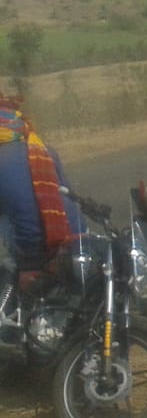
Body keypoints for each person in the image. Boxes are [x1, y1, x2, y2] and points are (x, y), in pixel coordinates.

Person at [1, 94, 83, 323]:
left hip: (33, 249)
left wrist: (27, 263)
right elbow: (67, 194)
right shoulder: (44, 149)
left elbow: (22, 213)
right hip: (73, 239)